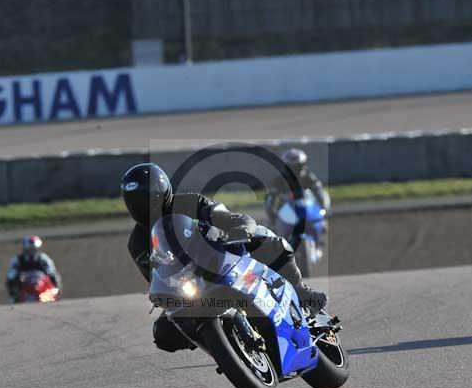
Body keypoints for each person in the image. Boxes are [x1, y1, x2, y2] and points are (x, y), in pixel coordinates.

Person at [121, 162, 328, 353]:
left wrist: (240, 230)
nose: (141, 207)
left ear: (162, 192)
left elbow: (228, 217)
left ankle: (301, 292)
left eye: (147, 199)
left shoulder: (190, 202)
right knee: (163, 334)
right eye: (134, 202)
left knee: (269, 241)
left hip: (221, 257)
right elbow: (154, 277)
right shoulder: (137, 243)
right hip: (189, 286)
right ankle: (221, 347)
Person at [264, 148, 331, 224]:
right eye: (291, 167)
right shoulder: (279, 180)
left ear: (302, 165)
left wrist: (324, 210)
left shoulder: (309, 177)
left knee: (321, 225)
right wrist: (272, 216)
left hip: (307, 210)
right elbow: (270, 198)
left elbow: (320, 192)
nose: (294, 170)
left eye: (297, 167)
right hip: (285, 212)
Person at [5, 235, 62, 302]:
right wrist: (13, 291)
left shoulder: (44, 259)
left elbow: (52, 274)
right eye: (30, 250)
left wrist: (56, 289)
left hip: (43, 289)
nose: (32, 252)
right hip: (24, 289)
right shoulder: (17, 260)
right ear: (25, 249)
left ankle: (51, 300)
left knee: (54, 290)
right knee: (12, 298)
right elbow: (11, 277)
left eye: (34, 250)